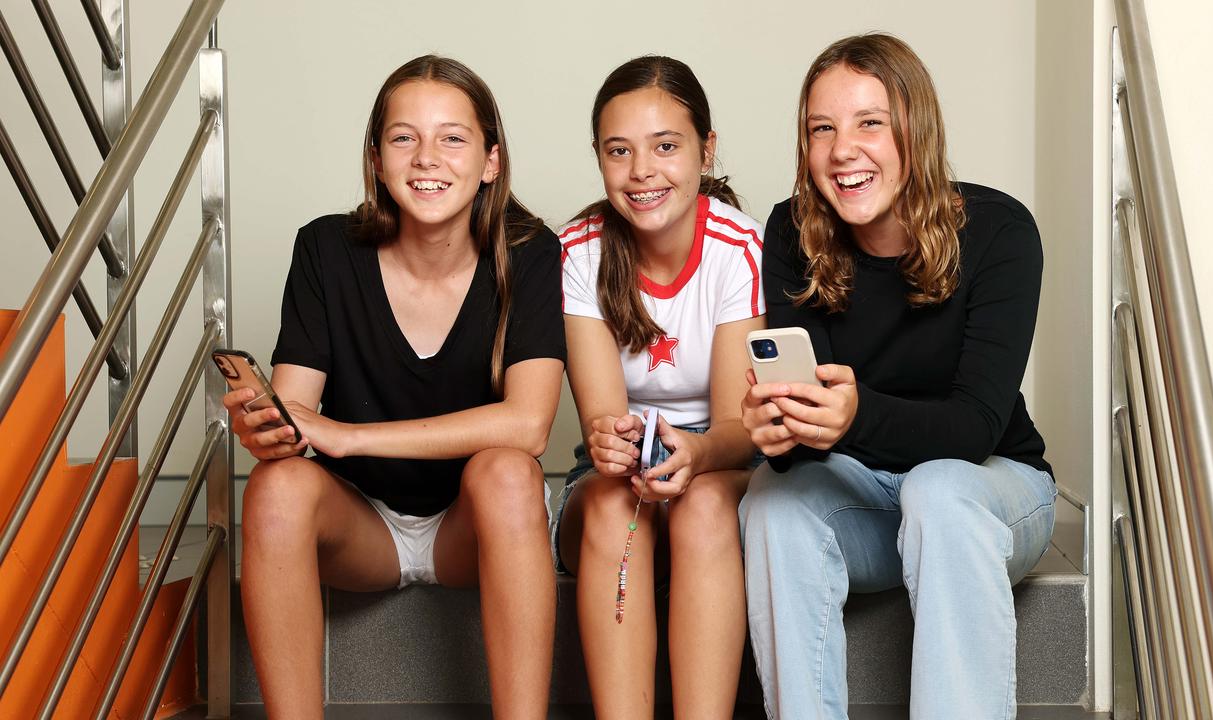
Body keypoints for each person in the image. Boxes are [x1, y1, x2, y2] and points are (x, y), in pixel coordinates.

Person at [223, 55, 564, 720]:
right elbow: (294, 411)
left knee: (509, 473)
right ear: (376, 158)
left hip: (475, 528)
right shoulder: (325, 248)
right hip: (363, 529)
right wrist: (269, 429)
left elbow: (530, 426)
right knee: (275, 487)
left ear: (491, 160)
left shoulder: (531, 252)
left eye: (453, 138)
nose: (426, 158)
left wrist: (345, 437)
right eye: (403, 137)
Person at [738, 34, 1057, 719]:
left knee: (939, 489)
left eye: (868, 123)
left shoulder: (1001, 233)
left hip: (993, 487)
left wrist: (854, 417)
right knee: (768, 500)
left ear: (916, 130)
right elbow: (810, 445)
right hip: (872, 495)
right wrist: (780, 430)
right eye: (821, 129)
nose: (841, 149)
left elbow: (975, 424)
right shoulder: (792, 232)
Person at [553, 55, 765, 719]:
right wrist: (616, 446)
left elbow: (737, 429)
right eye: (620, 151)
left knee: (702, 508)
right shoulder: (579, 249)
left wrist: (694, 455)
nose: (642, 171)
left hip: (720, 462)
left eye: (666, 147)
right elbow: (603, 421)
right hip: (620, 472)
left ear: (705, 151)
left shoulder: (741, 247)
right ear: (598, 157)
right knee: (618, 506)